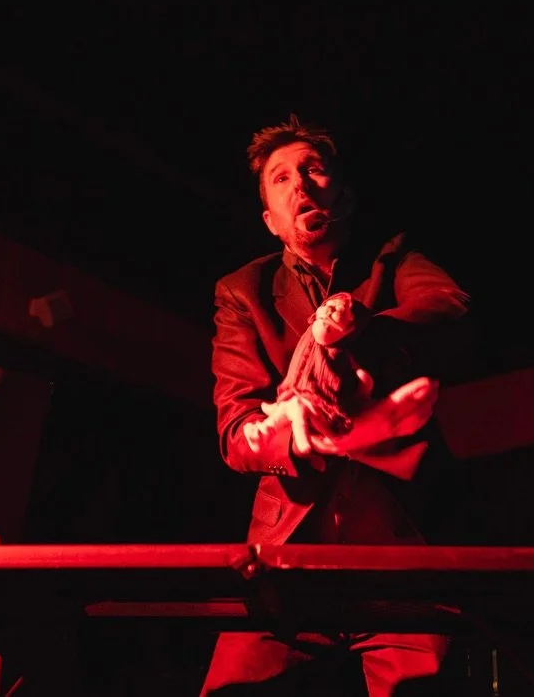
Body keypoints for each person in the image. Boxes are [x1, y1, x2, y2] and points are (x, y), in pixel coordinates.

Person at [199, 114, 473, 696]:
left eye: (313, 169)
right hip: (288, 563)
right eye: (280, 177)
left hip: (403, 558)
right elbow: (236, 427)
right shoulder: (241, 291)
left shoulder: (393, 258)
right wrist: (289, 433)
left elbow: (449, 308)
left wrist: (356, 328)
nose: (299, 183)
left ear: (343, 196)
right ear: (270, 220)